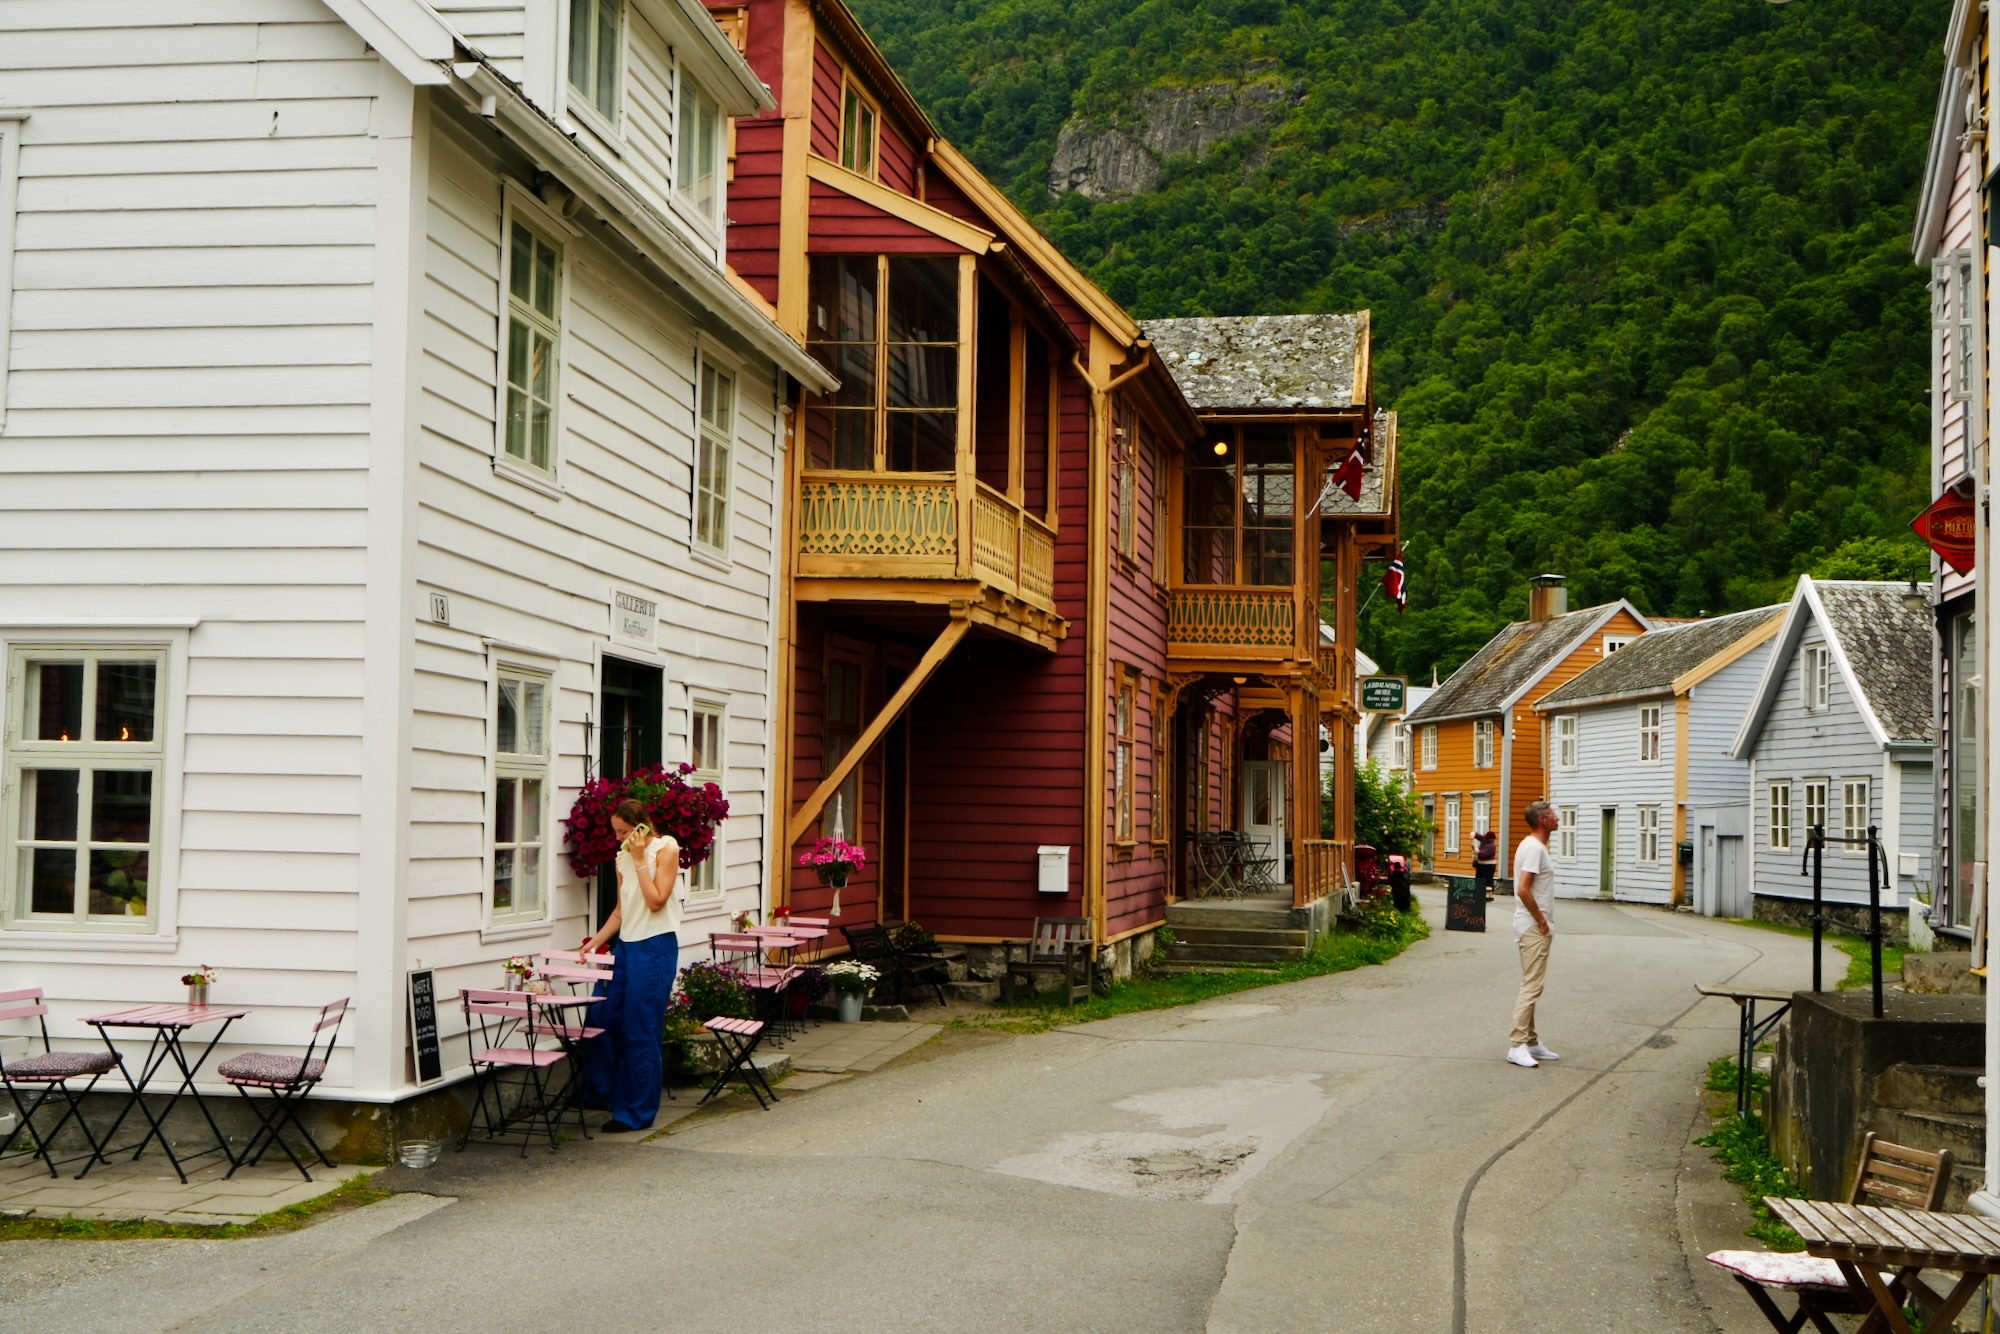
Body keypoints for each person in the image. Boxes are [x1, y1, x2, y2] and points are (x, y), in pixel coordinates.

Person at [579, 799, 687, 1131]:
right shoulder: (621, 858)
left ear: (641, 827)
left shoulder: (666, 848)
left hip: (654, 946)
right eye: (615, 832)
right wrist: (594, 942)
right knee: (602, 1017)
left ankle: (636, 1112)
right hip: (626, 947)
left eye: (623, 831)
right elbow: (620, 911)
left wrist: (640, 860)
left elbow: (656, 901)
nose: (618, 838)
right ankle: (606, 1093)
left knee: (641, 1028)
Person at [1506, 800, 1561, 1069]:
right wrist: (1541, 921)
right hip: (1532, 926)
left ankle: (1531, 1041)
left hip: (1531, 924)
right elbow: (1523, 889)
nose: (1557, 817)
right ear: (1542, 820)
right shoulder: (1533, 849)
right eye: (1552, 815)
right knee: (1531, 986)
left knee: (1533, 983)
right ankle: (1517, 1045)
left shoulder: (1535, 847)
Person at [1472, 828, 1498, 901]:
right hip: (1481, 864)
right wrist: (1473, 834)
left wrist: (1474, 848)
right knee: (1479, 880)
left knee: (1488, 880)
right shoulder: (1485, 839)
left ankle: (1491, 896)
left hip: (1489, 865)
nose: (1486, 839)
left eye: (1487, 838)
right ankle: (1480, 895)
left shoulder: (1492, 846)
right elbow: (1479, 836)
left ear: (1491, 839)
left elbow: (1482, 854)